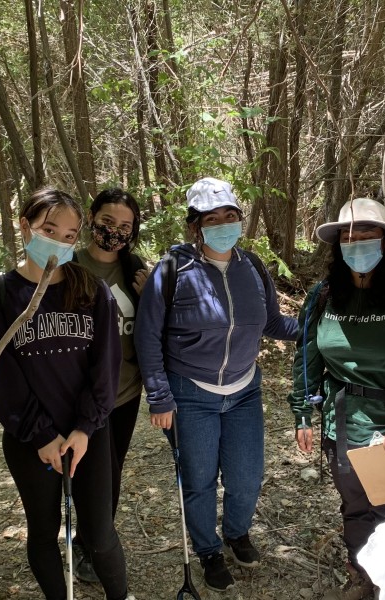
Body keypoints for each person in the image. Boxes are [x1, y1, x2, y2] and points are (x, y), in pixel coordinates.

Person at [134, 177, 298, 592]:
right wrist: (159, 396)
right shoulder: (172, 271)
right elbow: (148, 335)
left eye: (230, 215)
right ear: (196, 226)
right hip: (190, 393)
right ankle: (207, 549)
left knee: (246, 475)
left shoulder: (254, 267)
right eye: (212, 217)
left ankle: (237, 533)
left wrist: (324, 327)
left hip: (244, 390)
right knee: (200, 479)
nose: (224, 223)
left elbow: (275, 323)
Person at [0, 188, 135, 600]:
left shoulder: (91, 290)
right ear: (25, 226)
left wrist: (86, 427)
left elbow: (106, 367)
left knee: (100, 532)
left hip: (87, 436)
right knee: (43, 530)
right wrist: (40, 434)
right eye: (49, 229)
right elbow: (1, 378)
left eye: (70, 235)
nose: (58, 240)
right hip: (30, 441)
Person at [287, 198, 385, 600]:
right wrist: (303, 414)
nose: (358, 243)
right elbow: (306, 358)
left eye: (368, 235)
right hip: (340, 420)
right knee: (354, 505)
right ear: (337, 245)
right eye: (349, 236)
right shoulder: (324, 296)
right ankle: (362, 574)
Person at [71, 188, 148, 582]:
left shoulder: (136, 271)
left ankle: (94, 539)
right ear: (91, 218)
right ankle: (87, 543)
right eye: (107, 223)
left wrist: (151, 296)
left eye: (124, 226)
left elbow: (153, 330)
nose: (114, 232)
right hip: (80, 399)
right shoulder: (68, 266)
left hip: (126, 392)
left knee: (112, 471)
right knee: (91, 476)